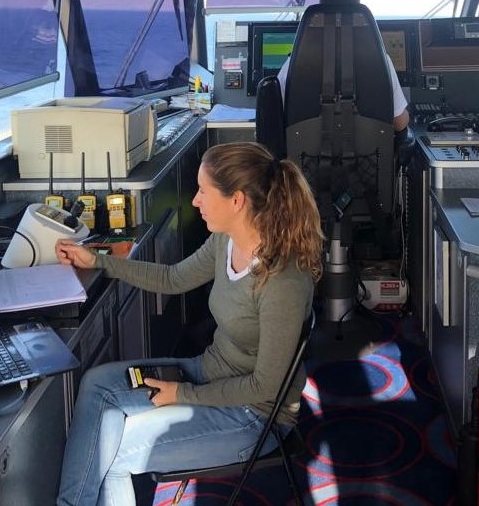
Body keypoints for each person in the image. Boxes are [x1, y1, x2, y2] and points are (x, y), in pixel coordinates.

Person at [55, 142, 324, 506]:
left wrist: (182, 395)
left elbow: (265, 387)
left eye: (202, 191)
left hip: (253, 415)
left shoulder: (282, 282)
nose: (195, 201)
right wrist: (98, 261)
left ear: (237, 201)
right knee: (96, 385)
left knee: (114, 455)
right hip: (208, 373)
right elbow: (172, 279)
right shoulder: (225, 240)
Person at [277, 0, 411, 132]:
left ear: (321, 9)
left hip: (300, 155)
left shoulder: (294, 63)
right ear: (357, 13)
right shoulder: (380, 61)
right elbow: (399, 123)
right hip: (374, 155)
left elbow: (277, 115)